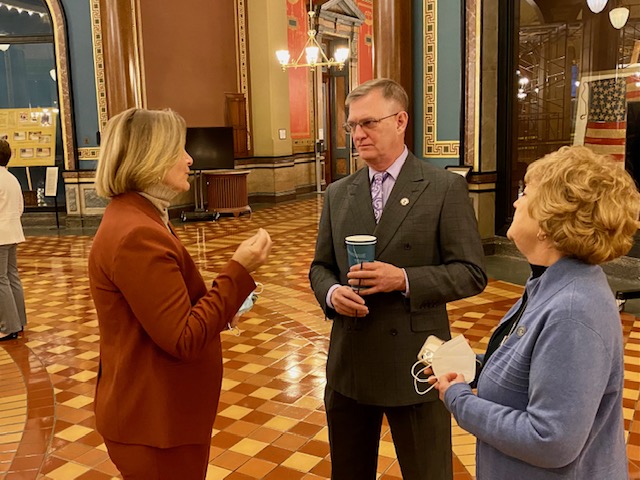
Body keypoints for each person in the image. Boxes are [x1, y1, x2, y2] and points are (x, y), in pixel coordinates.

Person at [309, 78, 487, 480]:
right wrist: (332, 292)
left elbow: (472, 274)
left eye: (368, 123)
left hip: (418, 367)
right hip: (350, 367)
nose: (357, 135)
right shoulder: (339, 193)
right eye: (351, 126)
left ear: (401, 120)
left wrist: (403, 278)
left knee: (428, 473)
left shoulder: (443, 188)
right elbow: (319, 267)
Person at [430, 145, 639, 479]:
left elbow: (550, 440)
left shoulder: (573, 311)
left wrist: (459, 401)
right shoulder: (551, 282)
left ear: (548, 219)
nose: (516, 202)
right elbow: (536, 371)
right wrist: (478, 364)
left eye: (525, 193)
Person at [88, 108, 272, 480]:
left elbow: (166, 315)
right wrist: (239, 269)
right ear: (150, 157)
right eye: (178, 149)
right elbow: (183, 338)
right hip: (154, 422)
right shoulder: (137, 233)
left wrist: (224, 308)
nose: (189, 159)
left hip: (159, 413)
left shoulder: (140, 216)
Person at [0, 139, 26, 341]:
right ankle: (19, 321)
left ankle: (9, 327)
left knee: (1, 280)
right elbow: (20, 208)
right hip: (13, 231)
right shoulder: (11, 178)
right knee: (12, 276)